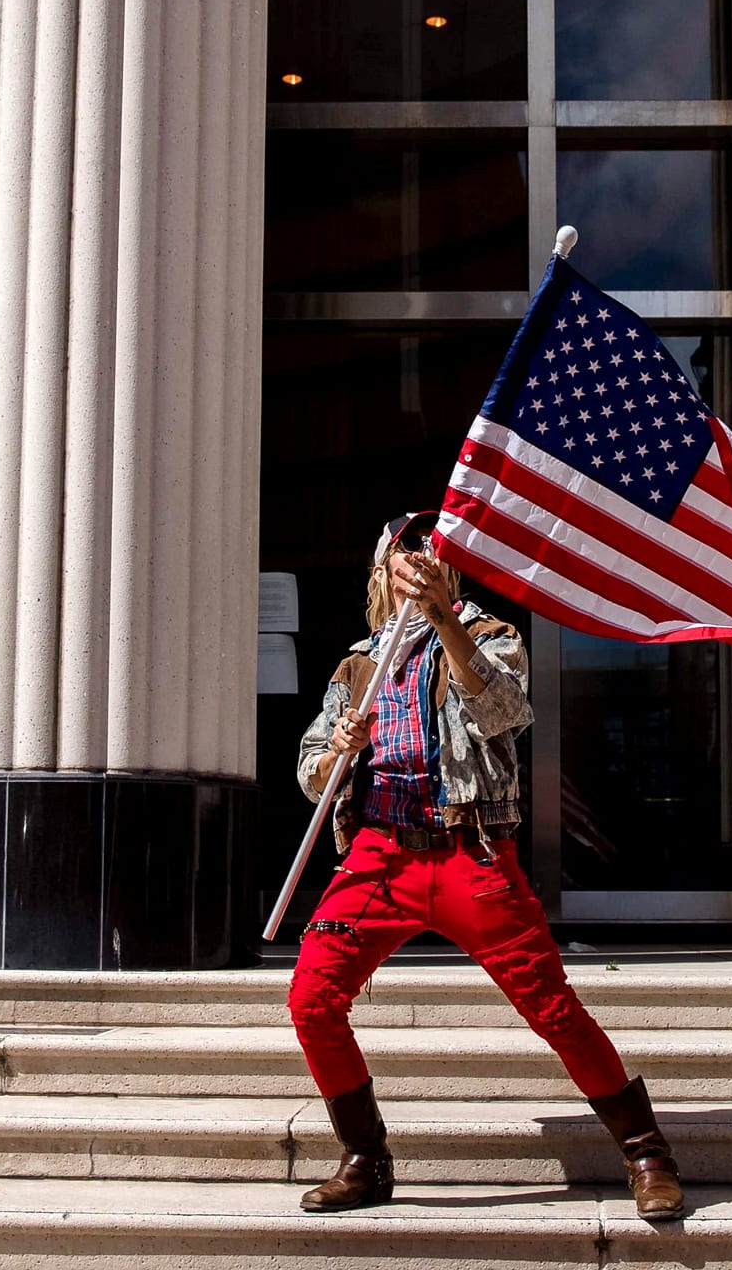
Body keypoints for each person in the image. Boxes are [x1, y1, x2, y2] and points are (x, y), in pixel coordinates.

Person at [287, 510, 684, 1220]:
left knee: (551, 1005)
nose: (414, 564)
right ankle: (365, 1159)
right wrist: (336, 750)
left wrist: (447, 624)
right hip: (380, 856)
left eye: (427, 556)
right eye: (401, 556)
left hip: (469, 849)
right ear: (381, 574)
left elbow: (504, 712)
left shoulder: (489, 635)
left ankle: (647, 1152)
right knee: (312, 997)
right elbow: (311, 772)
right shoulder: (357, 663)